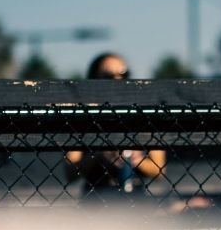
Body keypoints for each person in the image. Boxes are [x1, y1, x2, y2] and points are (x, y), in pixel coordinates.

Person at [65, 52, 166, 198]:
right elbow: (70, 173)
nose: (117, 80)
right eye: (108, 76)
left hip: (135, 198)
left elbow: (159, 170)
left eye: (123, 74)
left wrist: (133, 158)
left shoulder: (141, 116)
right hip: (96, 198)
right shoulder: (83, 118)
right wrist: (99, 156)